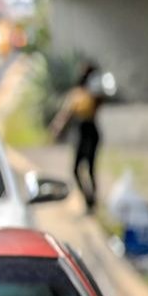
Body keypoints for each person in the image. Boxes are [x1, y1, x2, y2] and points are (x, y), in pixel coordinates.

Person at [49, 61, 103, 212]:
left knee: (87, 169)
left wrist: (57, 127)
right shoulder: (82, 94)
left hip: (87, 132)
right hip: (85, 131)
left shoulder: (87, 94)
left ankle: (91, 201)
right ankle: (89, 199)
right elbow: (67, 113)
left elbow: (67, 114)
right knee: (84, 169)